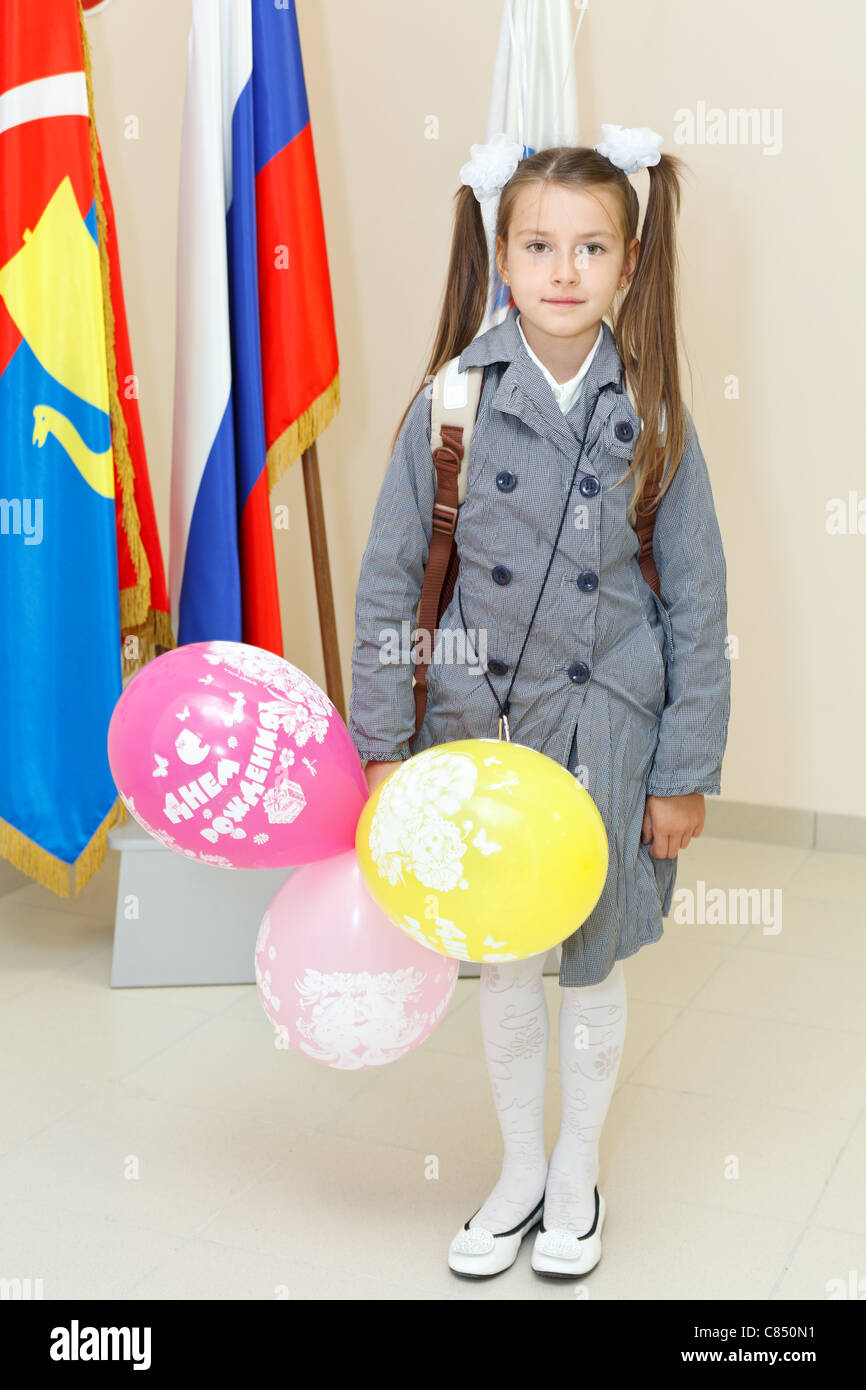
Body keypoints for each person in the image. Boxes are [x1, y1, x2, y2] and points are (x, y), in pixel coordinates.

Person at [347, 125, 731, 1279]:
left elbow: (698, 606)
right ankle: (517, 1168)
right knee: (508, 959)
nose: (562, 270)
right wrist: (382, 747)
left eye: (589, 246)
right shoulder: (450, 400)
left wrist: (679, 771)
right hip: (480, 734)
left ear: (624, 264)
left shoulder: (652, 408)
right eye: (537, 244)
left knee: (593, 960)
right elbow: (388, 579)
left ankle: (577, 1171)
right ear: (499, 256)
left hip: (608, 727)